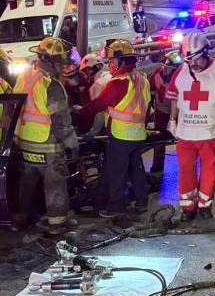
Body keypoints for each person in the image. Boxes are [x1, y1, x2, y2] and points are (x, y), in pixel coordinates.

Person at [166, 32, 215, 221]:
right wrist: (173, 119)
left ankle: (204, 206)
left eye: (196, 59)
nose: (192, 64)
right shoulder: (181, 71)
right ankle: (188, 208)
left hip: (211, 133)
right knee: (185, 170)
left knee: (210, 170)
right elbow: (175, 97)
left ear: (206, 52)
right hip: (186, 134)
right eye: (188, 60)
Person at [73, 39, 151, 218]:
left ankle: (116, 207)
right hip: (138, 134)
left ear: (122, 61)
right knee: (136, 169)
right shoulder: (141, 79)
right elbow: (147, 107)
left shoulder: (118, 82)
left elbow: (99, 104)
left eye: (112, 61)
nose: (110, 65)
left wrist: (80, 112)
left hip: (121, 135)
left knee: (117, 173)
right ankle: (142, 203)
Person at [13, 36, 79, 235]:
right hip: (47, 147)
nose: (64, 67)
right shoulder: (52, 85)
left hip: (25, 143)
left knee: (27, 184)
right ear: (52, 61)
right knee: (55, 185)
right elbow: (61, 122)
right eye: (61, 62)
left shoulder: (25, 75)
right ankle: (58, 224)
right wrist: (73, 145)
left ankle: (19, 219)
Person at [148, 50, 183, 185]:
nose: (164, 69)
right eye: (163, 65)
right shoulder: (157, 74)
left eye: (168, 67)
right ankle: (157, 167)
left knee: (183, 139)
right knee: (158, 140)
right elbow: (151, 92)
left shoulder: (182, 78)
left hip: (179, 112)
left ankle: (186, 163)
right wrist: (150, 109)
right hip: (161, 111)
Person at [76, 52, 110, 137]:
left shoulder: (97, 85)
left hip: (113, 125)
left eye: (84, 72)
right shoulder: (110, 75)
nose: (84, 76)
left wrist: (93, 132)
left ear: (89, 70)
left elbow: (100, 113)